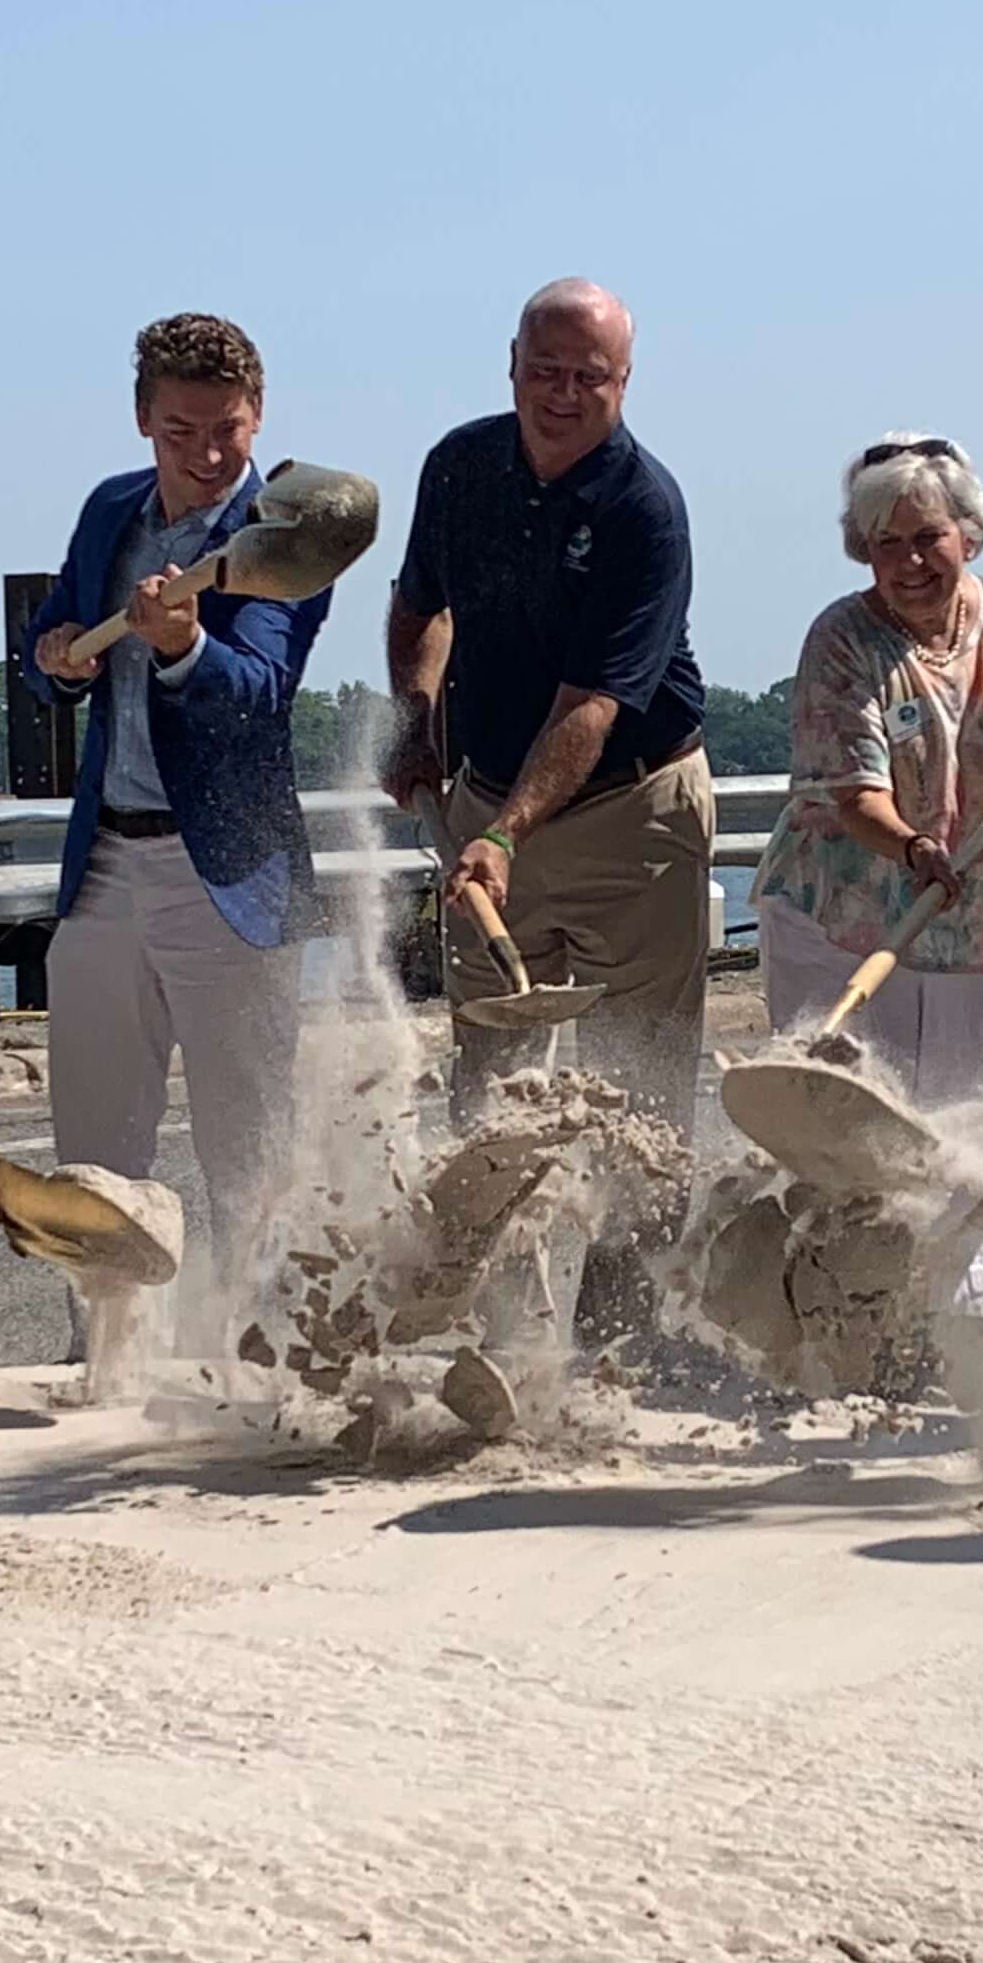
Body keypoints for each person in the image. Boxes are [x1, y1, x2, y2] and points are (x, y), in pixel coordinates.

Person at [381, 280, 714, 1329]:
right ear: (512, 365)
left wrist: (501, 835)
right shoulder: (459, 465)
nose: (564, 394)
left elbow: (592, 709)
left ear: (624, 383)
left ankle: (617, 1342)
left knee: (641, 1089)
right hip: (488, 795)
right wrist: (418, 718)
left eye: (591, 376)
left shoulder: (644, 510)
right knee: (491, 1083)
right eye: (546, 370)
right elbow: (417, 602)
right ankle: (507, 1336)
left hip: (630, 807)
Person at [749, 433, 983, 1290]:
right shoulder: (842, 637)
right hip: (843, 913)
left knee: (960, 1138)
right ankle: (826, 1315)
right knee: (848, 1145)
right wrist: (913, 845)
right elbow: (853, 792)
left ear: (968, 535)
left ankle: (952, 1312)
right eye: (887, 543)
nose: (910, 561)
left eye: (927, 538)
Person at [23, 313, 327, 1301]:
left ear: (259, 416)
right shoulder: (108, 509)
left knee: (253, 1154)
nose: (205, 453)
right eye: (179, 431)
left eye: (227, 430)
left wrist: (184, 648)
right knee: (96, 1157)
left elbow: (261, 688)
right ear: (142, 419)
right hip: (108, 856)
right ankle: (104, 1360)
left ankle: (265, 1365)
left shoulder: (287, 533)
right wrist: (54, 657)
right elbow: (56, 636)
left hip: (228, 875)